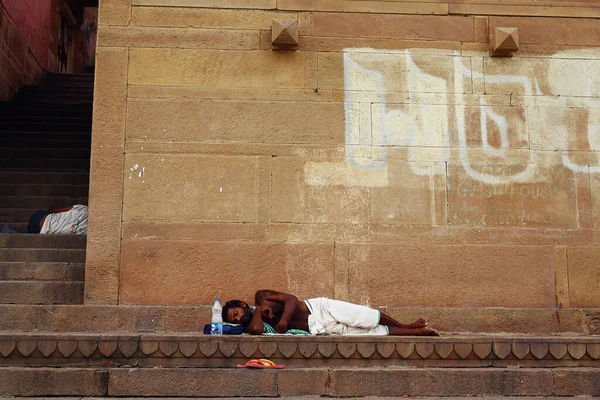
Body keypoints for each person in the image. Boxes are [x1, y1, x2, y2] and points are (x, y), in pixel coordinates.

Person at [222, 289, 438, 336]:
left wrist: (283, 320)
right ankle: (416, 332)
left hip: (320, 308)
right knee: (369, 332)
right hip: (321, 328)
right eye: (235, 319)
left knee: (364, 316)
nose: (238, 317)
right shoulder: (251, 323)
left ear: (241, 304)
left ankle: (407, 325)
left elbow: (291, 300)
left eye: (236, 312)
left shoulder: (263, 296)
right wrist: (258, 312)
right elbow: (257, 329)